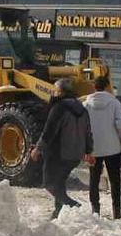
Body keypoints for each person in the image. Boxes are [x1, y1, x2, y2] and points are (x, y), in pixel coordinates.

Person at [29, 78, 93, 219]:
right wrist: (88, 150)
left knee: (49, 183)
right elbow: (88, 132)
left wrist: (38, 149)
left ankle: (74, 206)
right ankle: (58, 212)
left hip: (58, 152)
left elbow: (49, 131)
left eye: (55, 89)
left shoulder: (59, 108)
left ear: (60, 91)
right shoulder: (82, 109)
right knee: (59, 182)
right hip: (76, 154)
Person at [83, 76, 121, 219]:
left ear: (94, 86)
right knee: (115, 180)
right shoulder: (115, 103)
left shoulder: (86, 104)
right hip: (112, 148)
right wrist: (120, 137)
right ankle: (117, 210)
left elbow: (82, 125)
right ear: (108, 86)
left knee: (94, 180)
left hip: (93, 148)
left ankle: (95, 209)